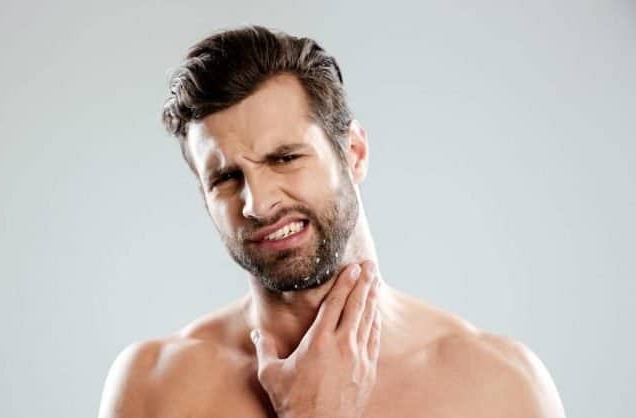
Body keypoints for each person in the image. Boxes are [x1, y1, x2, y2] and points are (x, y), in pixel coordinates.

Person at [98, 25, 565, 418]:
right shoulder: (155, 387)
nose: (257, 204)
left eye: (284, 158)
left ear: (354, 153)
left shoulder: (499, 388)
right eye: (225, 177)